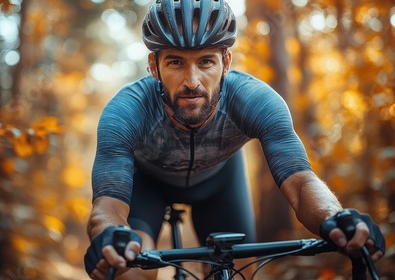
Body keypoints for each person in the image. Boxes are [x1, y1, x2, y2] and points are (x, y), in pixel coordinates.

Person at [84, 1, 385, 279]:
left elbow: (300, 182)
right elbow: (108, 204)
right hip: (146, 186)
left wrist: (335, 217)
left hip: (220, 183)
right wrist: (110, 235)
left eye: (206, 62)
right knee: (130, 269)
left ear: (226, 63)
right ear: (153, 66)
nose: (192, 81)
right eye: (176, 63)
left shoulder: (255, 101)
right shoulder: (126, 111)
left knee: (237, 272)